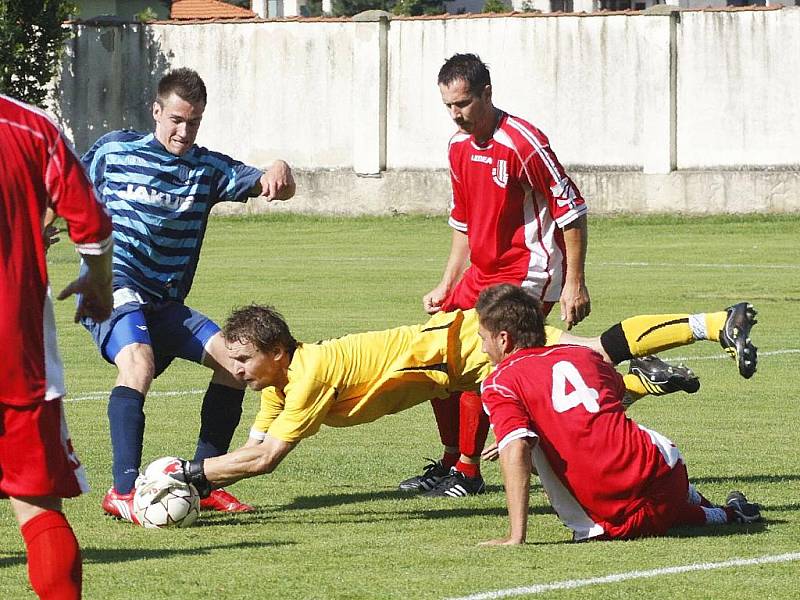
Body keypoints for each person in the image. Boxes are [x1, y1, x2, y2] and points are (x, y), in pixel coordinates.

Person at [163, 292, 757, 499]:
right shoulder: (280, 381)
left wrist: (181, 474)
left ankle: (714, 322)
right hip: (455, 366)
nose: (234, 370)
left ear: (275, 351)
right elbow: (255, 447)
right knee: (563, 400)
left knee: (588, 355)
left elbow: (266, 460)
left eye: (242, 360)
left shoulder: (310, 372)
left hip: (467, 345)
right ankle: (646, 379)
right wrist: (203, 479)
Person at [79, 67, 296, 523]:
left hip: (166, 304)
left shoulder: (208, 169)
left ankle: (203, 481)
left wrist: (279, 168)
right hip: (112, 288)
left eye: (193, 122)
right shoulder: (114, 151)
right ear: (156, 111)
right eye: (175, 119)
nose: (183, 130)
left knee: (235, 365)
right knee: (138, 363)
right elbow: (67, 190)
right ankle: (122, 490)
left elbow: (273, 183)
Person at [402, 53, 591, 497]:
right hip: (483, 272)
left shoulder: (524, 142)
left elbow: (572, 211)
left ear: (487, 93)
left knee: (478, 356)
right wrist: (447, 283)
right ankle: (451, 459)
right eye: (448, 105)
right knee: (435, 350)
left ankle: (469, 470)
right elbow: (463, 222)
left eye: (463, 103)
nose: (456, 114)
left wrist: (575, 283)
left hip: (529, 271)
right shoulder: (457, 146)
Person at [475, 284, 761, 545]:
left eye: (483, 339)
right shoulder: (584, 355)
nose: (483, 348)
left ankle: (722, 514)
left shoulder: (499, 381)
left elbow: (517, 449)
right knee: (658, 494)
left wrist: (515, 536)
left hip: (613, 518)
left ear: (503, 339)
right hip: (664, 472)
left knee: (529, 443)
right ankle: (727, 514)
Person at [1, 94, 113, 599]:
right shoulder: (29, 126)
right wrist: (99, 278)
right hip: (16, 354)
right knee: (38, 507)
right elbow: (89, 219)